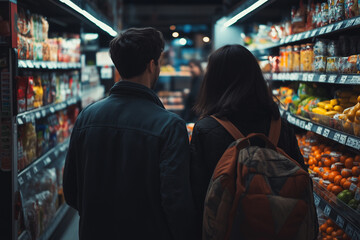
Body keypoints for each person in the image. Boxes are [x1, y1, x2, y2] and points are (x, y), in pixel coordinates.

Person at [63, 27, 196, 240]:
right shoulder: (169, 126)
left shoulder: (86, 118)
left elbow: (71, 191)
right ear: (152, 65)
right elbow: (176, 203)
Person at [190, 44, 315, 237]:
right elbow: (303, 178)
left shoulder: (206, 129)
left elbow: (198, 195)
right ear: (256, 78)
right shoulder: (280, 126)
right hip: (279, 228)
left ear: (213, 81)